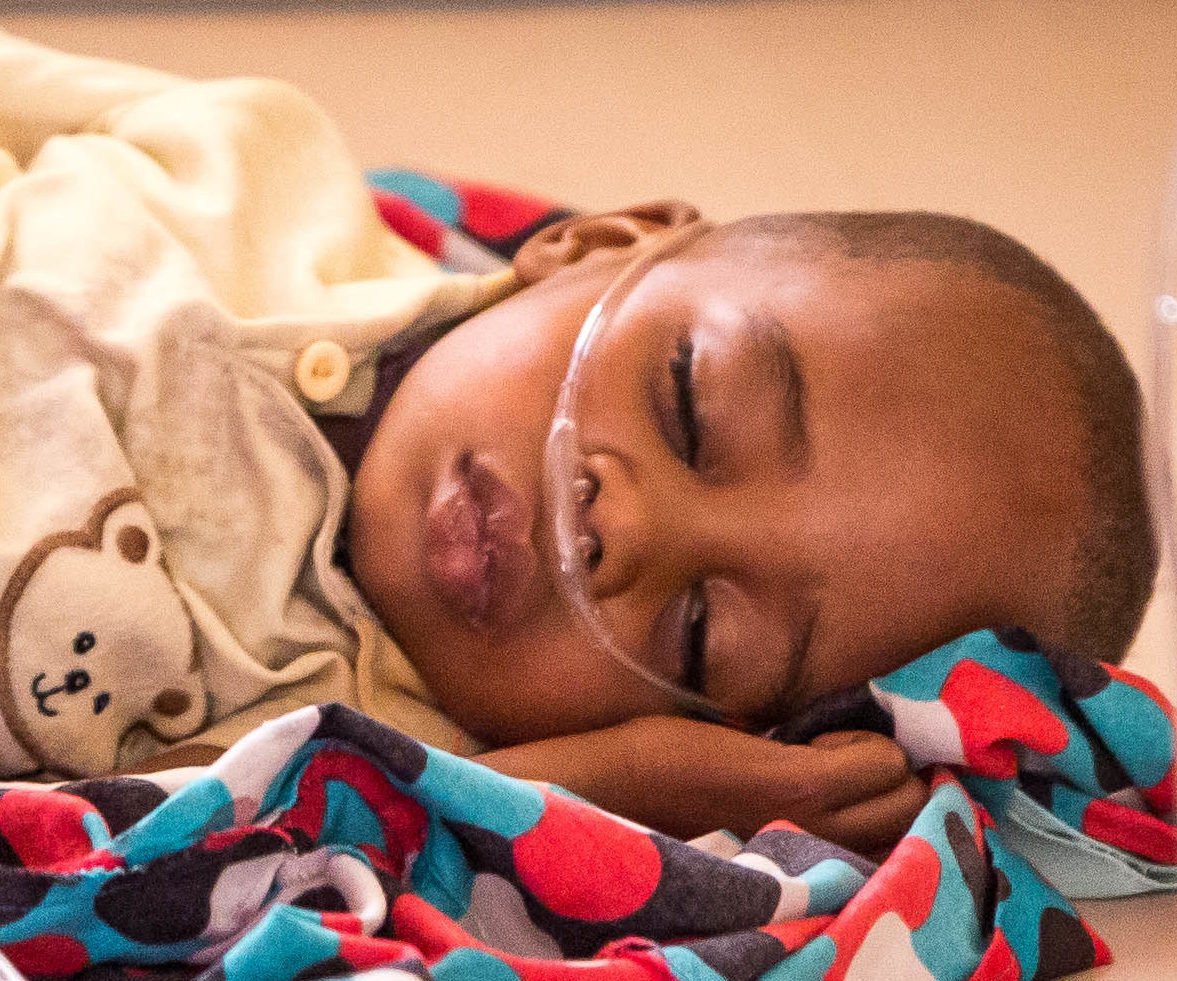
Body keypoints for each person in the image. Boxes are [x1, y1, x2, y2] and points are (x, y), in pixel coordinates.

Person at [0, 35, 1156, 854]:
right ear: (598, 243)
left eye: (703, 634)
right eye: (687, 400)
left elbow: (95, 879)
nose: (624, 530)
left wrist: (578, 791)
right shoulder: (245, 156)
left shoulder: (342, 763)